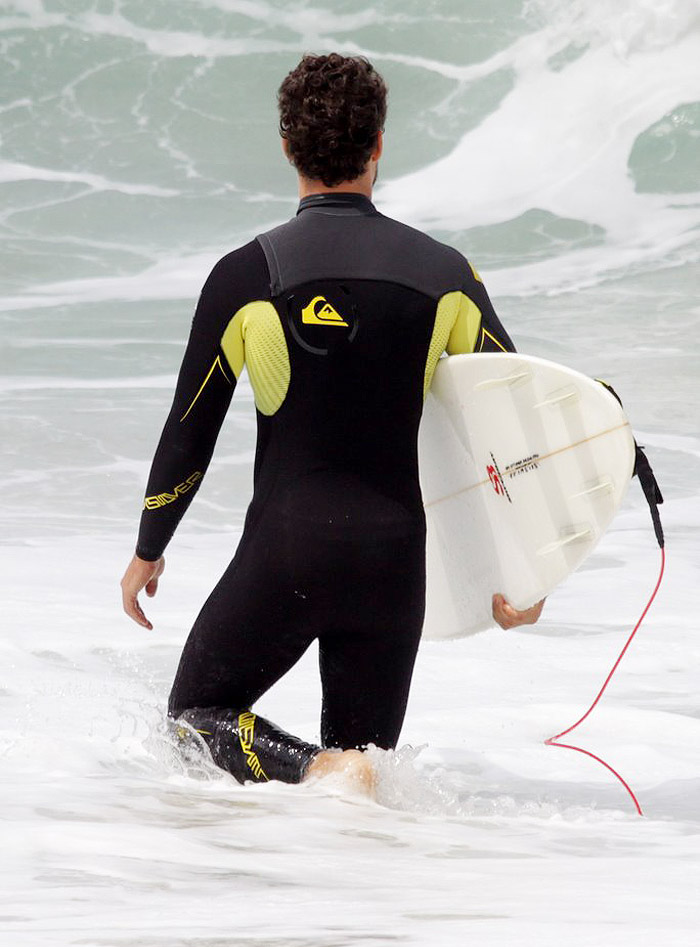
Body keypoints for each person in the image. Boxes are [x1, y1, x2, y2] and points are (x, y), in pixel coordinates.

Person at [120, 53, 544, 791]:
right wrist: (529, 568)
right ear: (378, 144)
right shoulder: (447, 274)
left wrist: (149, 547)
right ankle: (343, 852)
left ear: (286, 146)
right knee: (363, 787)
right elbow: (519, 415)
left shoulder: (246, 276)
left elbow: (191, 427)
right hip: (393, 565)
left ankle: (317, 768)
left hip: (289, 553)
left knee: (195, 717)